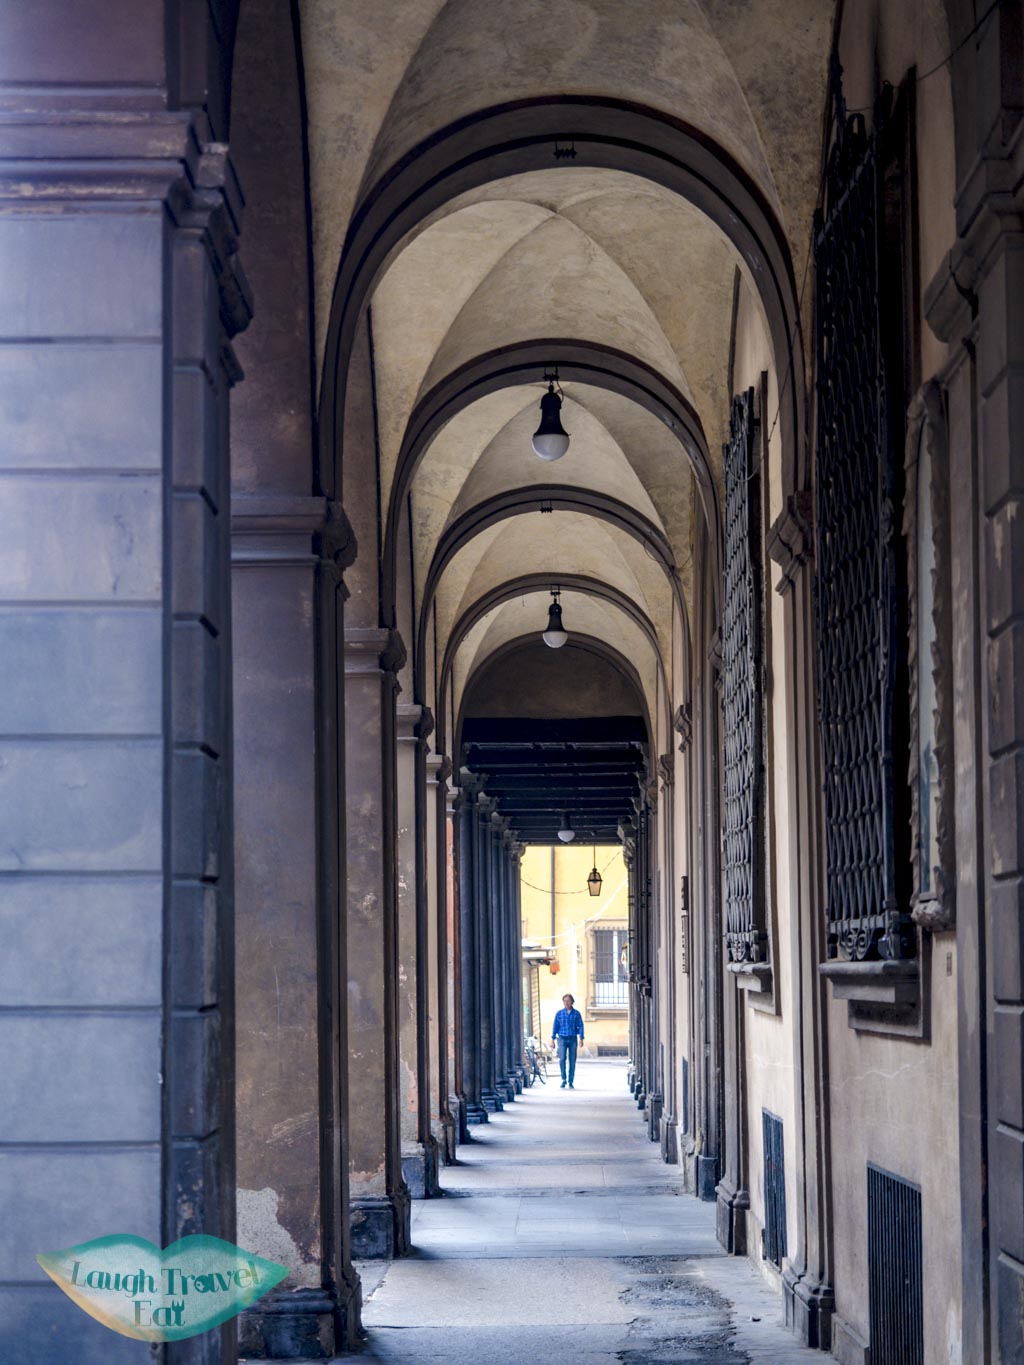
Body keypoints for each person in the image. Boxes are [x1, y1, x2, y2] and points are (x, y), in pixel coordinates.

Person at [551, 993, 585, 1088]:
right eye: (564, 1001)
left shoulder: (576, 1014)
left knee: (572, 1060)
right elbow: (555, 1026)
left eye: (568, 1001)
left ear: (572, 1002)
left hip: (572, 1038)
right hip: (562, 1038)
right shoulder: (559, 1013)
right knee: (562, 1059)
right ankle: (563, 1079)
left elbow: (581, 1026)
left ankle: (570, 1080)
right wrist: (552, 1039)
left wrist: (581, 1038)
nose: (566, 1003)